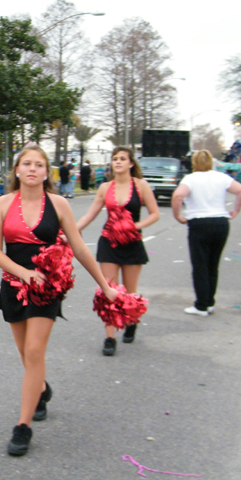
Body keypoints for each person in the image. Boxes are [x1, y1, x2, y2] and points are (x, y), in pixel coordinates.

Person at [0, 144, 118, 457]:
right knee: (24, 353)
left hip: (47, 288)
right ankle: (42, 390)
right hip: (12, 286)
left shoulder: (59, 204)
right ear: (17, 170)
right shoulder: (4, 204)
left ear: (47, 173)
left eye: (39, 165)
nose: (32, 169)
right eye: (27, 164)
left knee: (34, 351)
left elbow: (80, 248)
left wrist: (105, 285)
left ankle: (23, 426)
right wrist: (23, 273)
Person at [76, 146, 160, 356]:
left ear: (131, 163)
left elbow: (155, 214)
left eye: (123, 159)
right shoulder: (105, 188)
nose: (118, 162)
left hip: (132, 244)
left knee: (130, 293)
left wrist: (135, 227)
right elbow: (90, 214)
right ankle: (110, 337)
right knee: (109, 290)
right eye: (115, 159)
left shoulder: (141, 186)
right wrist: (70, 230)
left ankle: (131, 321)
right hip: (109, 243)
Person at [171, 150, 241, 316]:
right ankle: (210, 301)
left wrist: (178, 215)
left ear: (194, 163)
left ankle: (201, 305)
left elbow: (177, 196)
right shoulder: (221, 177)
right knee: (213, 264)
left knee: (200, 265)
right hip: (220, 221)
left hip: (199, 222)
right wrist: (235, 210)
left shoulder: (190, 178)